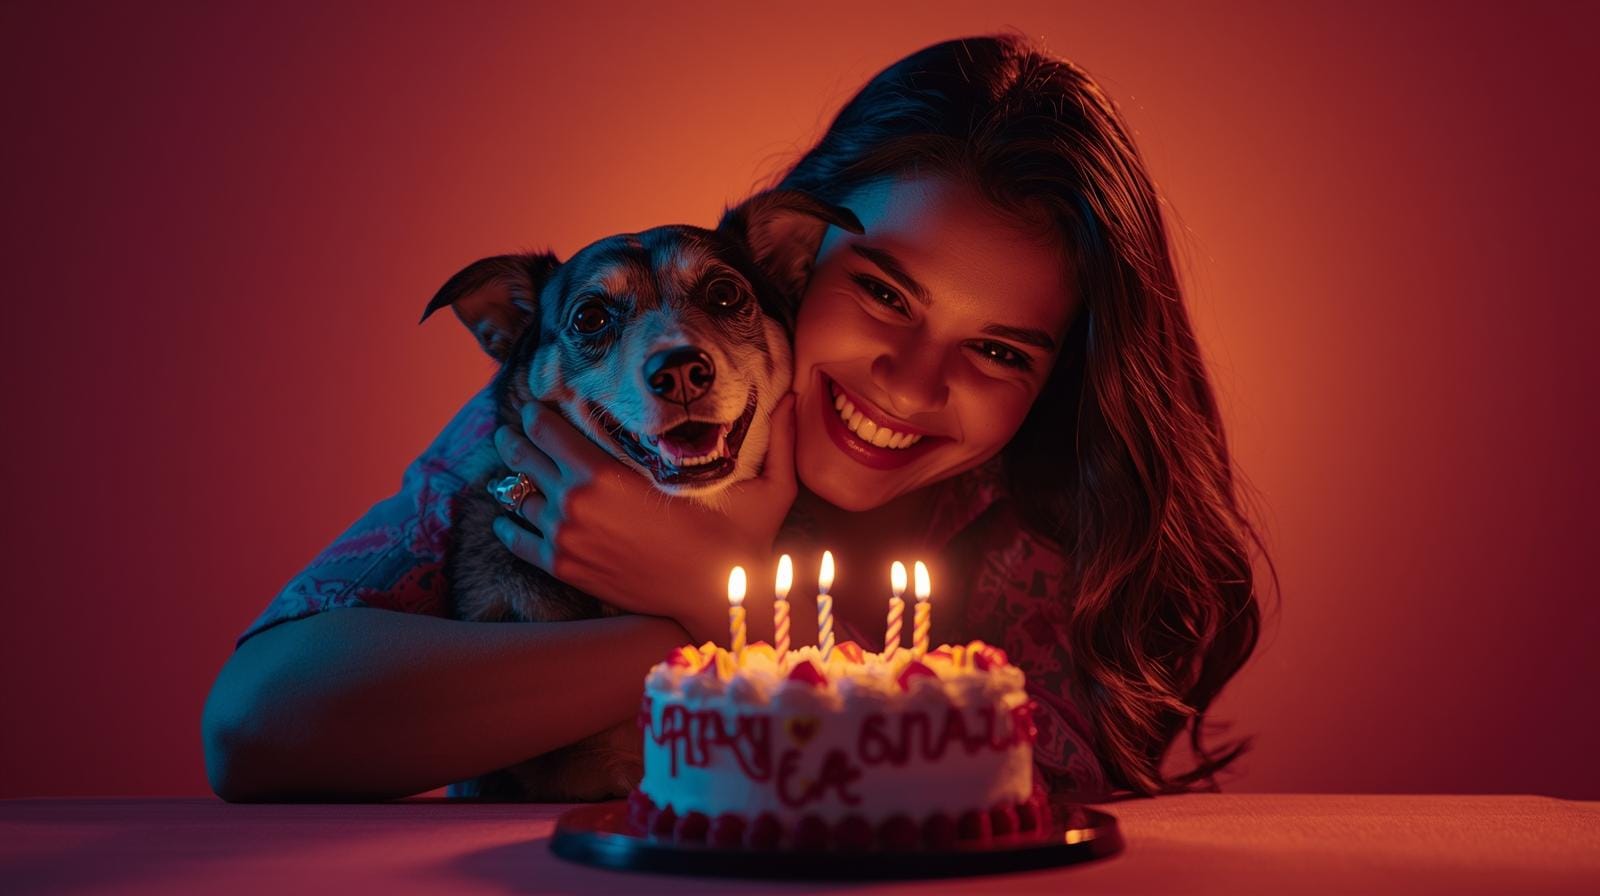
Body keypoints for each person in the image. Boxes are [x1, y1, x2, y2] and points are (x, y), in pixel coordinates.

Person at [204, 34, 1271, 802]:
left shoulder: (1052, 518)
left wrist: (707, 584)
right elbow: (257, 725)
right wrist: (677, 621)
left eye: (998, 351)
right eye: (883, 293)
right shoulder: (559, 437)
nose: (909, 383)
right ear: (793, 260)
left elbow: (1016, 785)